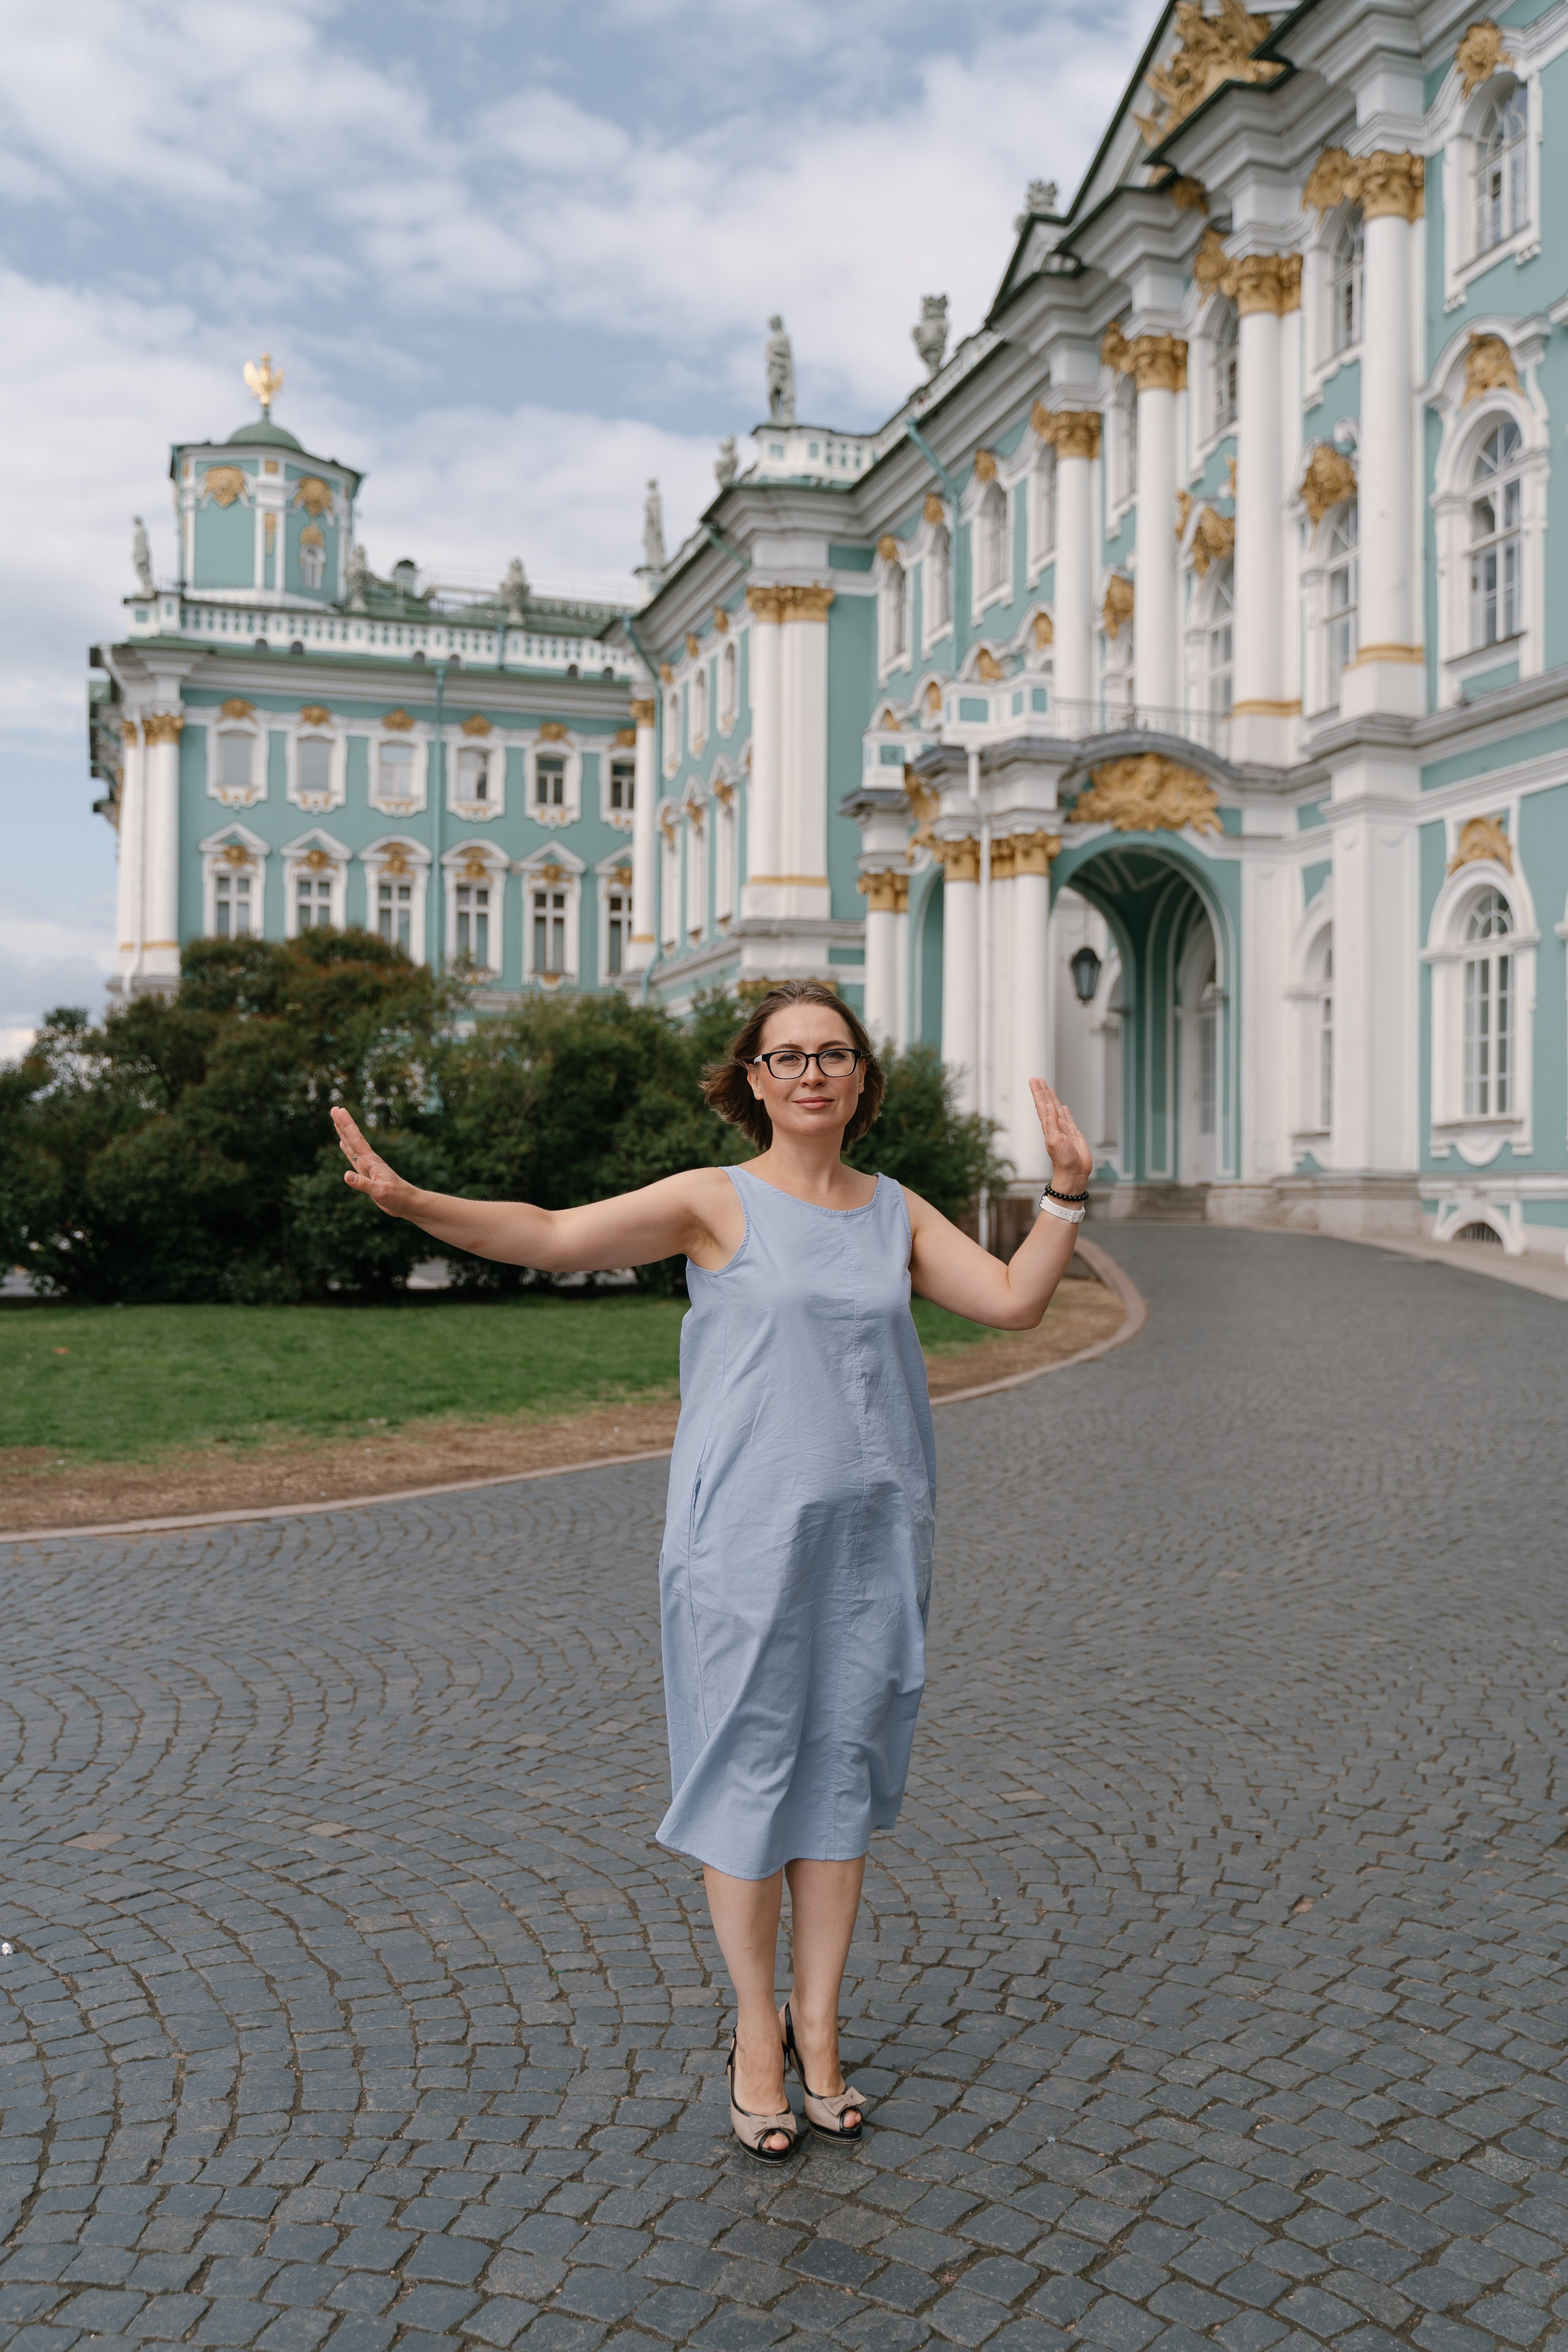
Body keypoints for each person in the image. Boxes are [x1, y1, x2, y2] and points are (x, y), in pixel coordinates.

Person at [330, 980, 1093, 2161]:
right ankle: (754, 2034)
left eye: (833, 1055)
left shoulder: (894, 1212)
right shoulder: (711, 1202)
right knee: (750, 1781)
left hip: (872, 1545)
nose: (810, 1074)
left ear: (860, 1080)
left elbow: (1013, 1303)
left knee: (840, 1781)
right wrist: (412, 1200)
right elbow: (547, 1233)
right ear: (751, 1081)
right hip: (741, 1544)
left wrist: (1065, 1193)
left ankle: (822, 2030)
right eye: (785, 1057)